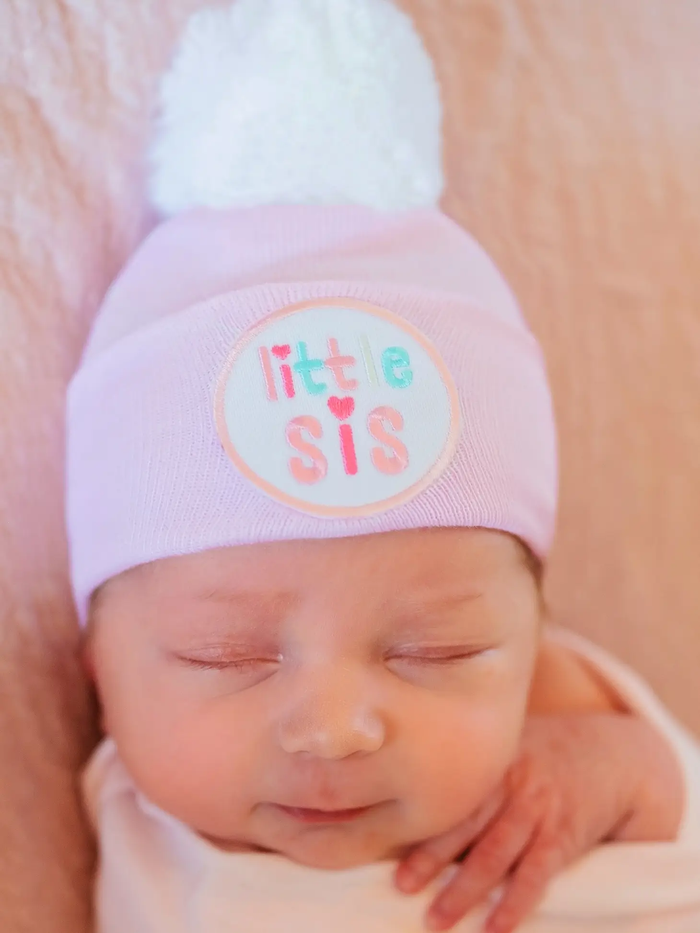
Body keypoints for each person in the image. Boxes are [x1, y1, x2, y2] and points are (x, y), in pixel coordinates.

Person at [65, 1, 700, 931]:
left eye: (436, 653)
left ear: (531, 643)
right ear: (96, 667)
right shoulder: (153, 832)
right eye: (225, 656)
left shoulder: (548, 737)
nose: (334, 728)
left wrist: (631, 770)